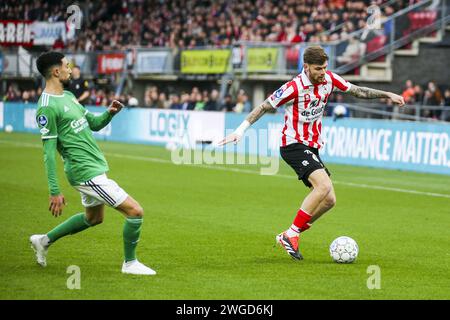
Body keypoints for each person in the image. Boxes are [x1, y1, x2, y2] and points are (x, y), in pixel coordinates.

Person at [219, 46, 405, 260]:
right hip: (293, 144)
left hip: (312, 145)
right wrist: (240, 130)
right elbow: (264, 106)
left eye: (325, 68)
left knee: (329, 200)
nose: (323, 72)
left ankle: (291, 233)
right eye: (318, 69)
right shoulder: (293, 87)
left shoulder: (330, 80)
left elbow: (358, 91)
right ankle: (291, 234)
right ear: (305, 67)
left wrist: (387, 94)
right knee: (323, 186)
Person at [30, 51, 156, 275]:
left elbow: (94, 124)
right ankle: (130, 263)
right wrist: (54, 190)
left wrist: (109, 113)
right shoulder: (47, 106)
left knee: (93, 218)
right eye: (66, 65)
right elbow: (48, 152)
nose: (70, 69)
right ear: (56, 71)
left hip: (93, 167)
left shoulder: (68, 96)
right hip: (84, 172)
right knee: (135, 211)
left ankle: (43, 241)